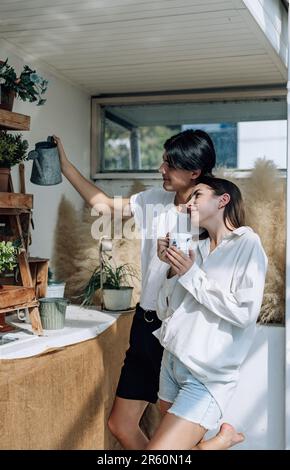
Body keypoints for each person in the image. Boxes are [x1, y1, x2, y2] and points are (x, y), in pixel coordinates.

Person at [53, 131, 238, 450]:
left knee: (168, 444)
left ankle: (215, 444)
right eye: (164, 160)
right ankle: (216, 444)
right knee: (121, 424)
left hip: (185, 331)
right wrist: (66, 166)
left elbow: (223, 278)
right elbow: (105, 206)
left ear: (194, 172)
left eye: (170, 163)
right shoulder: (154, 200)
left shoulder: (212, 212)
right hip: (146, 322)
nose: (161, 168)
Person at [148, 177, 267, 450]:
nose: (189, 204)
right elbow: (166, 310)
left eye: (197, 196)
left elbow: (245, 312)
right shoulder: (195, 248)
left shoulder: (247, 244)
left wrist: (191, 275)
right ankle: (220, 442)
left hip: (206, 376)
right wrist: (169, 268)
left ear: (222, 200)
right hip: (172, 363)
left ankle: (219, 442)